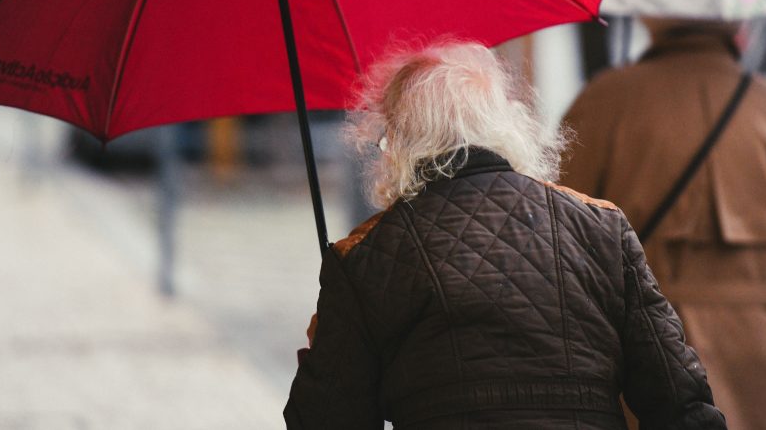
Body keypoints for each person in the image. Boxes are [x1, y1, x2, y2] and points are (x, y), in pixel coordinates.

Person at [285, 41, 726, 430]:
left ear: (402, 143)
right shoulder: (601, 227)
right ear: (503, 122)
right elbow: (680, 401)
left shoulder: (366, 257)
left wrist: (319, 360)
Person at [560, 18, 766, 430]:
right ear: (733, 16)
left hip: (653, 364)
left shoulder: (603, 102)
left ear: (652, 15)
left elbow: (558, 239)